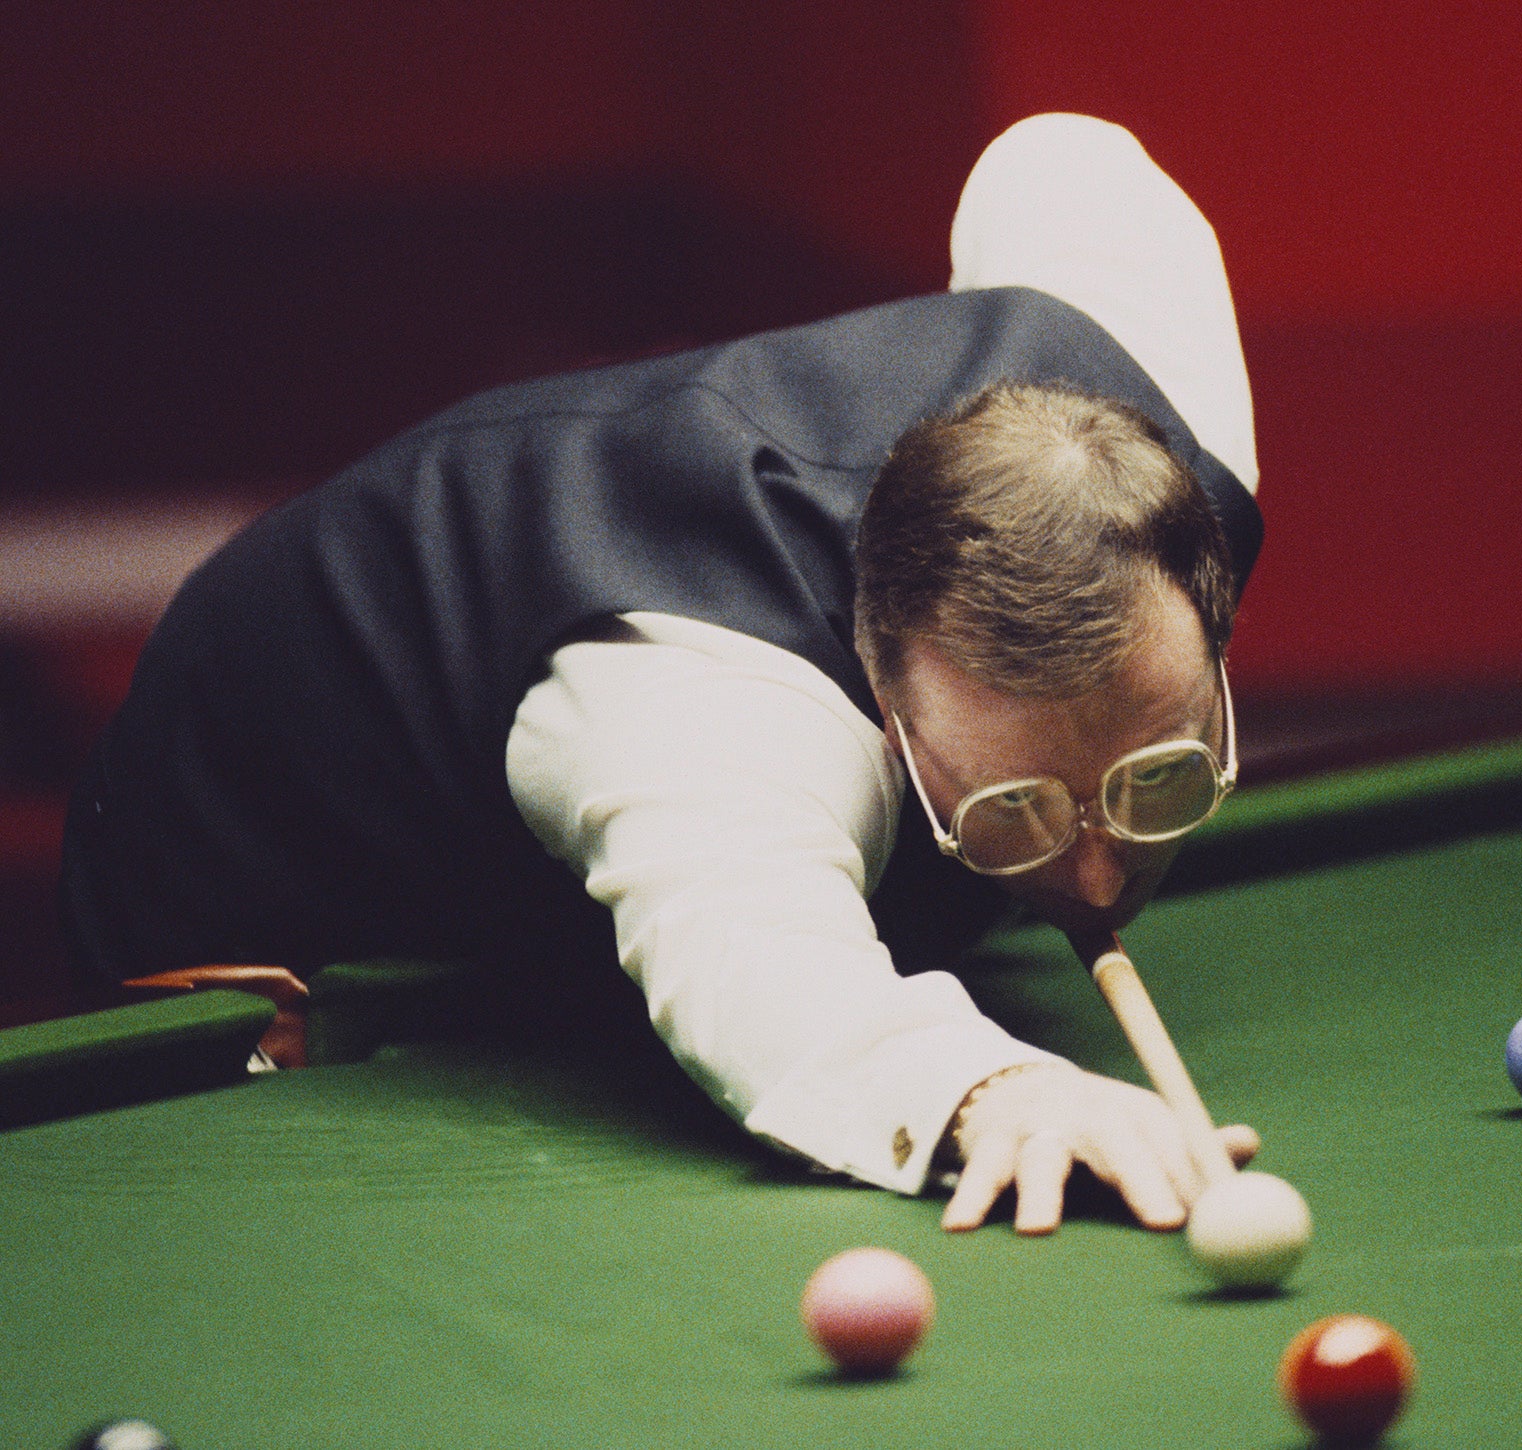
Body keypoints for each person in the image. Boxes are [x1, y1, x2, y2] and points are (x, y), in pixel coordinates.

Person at [60, 114, 1265, 1235]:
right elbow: (761, 970)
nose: (1100, 873)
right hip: (250, 854)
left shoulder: (1174, 430)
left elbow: (1058, 159)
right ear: (884, 700)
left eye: (1157, 778)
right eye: (1012, 816)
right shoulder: (705, 700)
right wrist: (990, 1084)